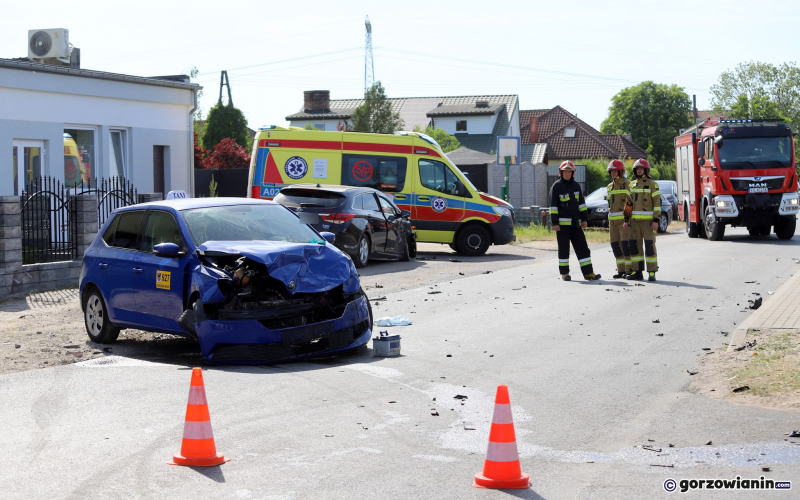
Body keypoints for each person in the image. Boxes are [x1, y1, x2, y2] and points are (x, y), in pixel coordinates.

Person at [549, 161, 600, 281]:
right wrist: (555, 223)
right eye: (565, 171)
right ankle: (565, 273)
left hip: (576, 224)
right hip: (562, 226)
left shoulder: (576, 186)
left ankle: (588, 273)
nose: (567, 174)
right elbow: (553, 206)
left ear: (573, 173)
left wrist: (584, 219)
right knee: (564, 249)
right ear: (560, 172)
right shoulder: (556, 187)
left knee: (583, 248)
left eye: (569, 172)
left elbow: (582, 205)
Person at [624, 158, 660, 281]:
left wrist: (656, 220)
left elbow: (657, 204)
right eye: (637, 169)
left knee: (650, 246)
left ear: (646, 170)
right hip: (634, 223)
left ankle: (651, 272)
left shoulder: (652, 184)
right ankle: (637, 272)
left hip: (648, 223)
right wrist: (626, 220)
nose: (639, 171)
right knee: (634, 247)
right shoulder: (631, 185)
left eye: (641, 169)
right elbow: (628, 204)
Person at [606, 159, 632, 278]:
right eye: (611, 172)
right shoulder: (610, 186)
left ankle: (629, 270)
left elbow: (630, 203)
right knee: (615, 245)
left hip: (623, 221)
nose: (613, 174)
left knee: (625, 245)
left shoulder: (628, 184)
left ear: (620, 172)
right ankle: (620, 270)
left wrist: (627, 219)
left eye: (615, 172)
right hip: (612, 222)